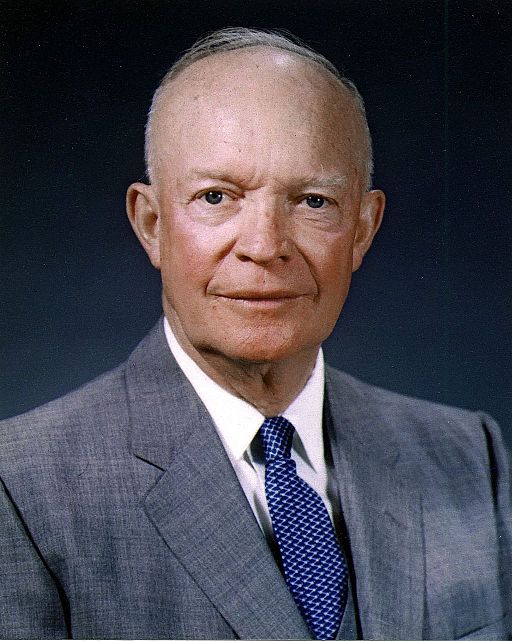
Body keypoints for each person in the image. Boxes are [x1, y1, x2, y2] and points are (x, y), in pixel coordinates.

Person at [0, 27, 510, 641]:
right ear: (152, 223)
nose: (265, 247)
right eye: (217, 196)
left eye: (313, 202)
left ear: (363, 229)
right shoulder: (22, 488)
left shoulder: (468, 456)